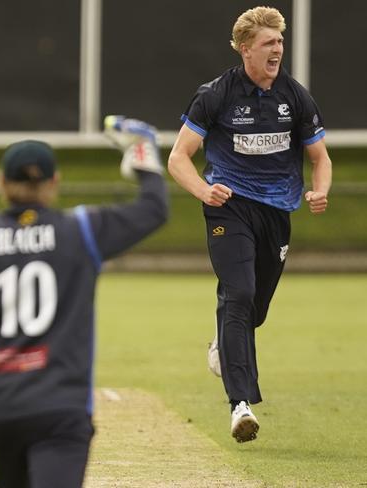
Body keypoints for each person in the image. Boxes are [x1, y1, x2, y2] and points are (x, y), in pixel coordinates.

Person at [0, 116, 168, 488]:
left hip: (0, 407)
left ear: (1, 183)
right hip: (61, 405)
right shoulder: (81, 231)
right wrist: (145, 157)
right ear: (54, 183)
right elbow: (154, 209)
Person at [167, 6, 332, 443]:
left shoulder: (295, 96)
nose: (278, 48)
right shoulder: (217, 94)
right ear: (246, 50)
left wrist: (319, 190)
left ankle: (224, 341)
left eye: (280, 40)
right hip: (229, 206)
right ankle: (240, 405)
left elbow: (320, 157)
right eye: (269, 42)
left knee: (252, 311)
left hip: (277, 213)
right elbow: (178, 157)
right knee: (238, 293)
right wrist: (205, 191)